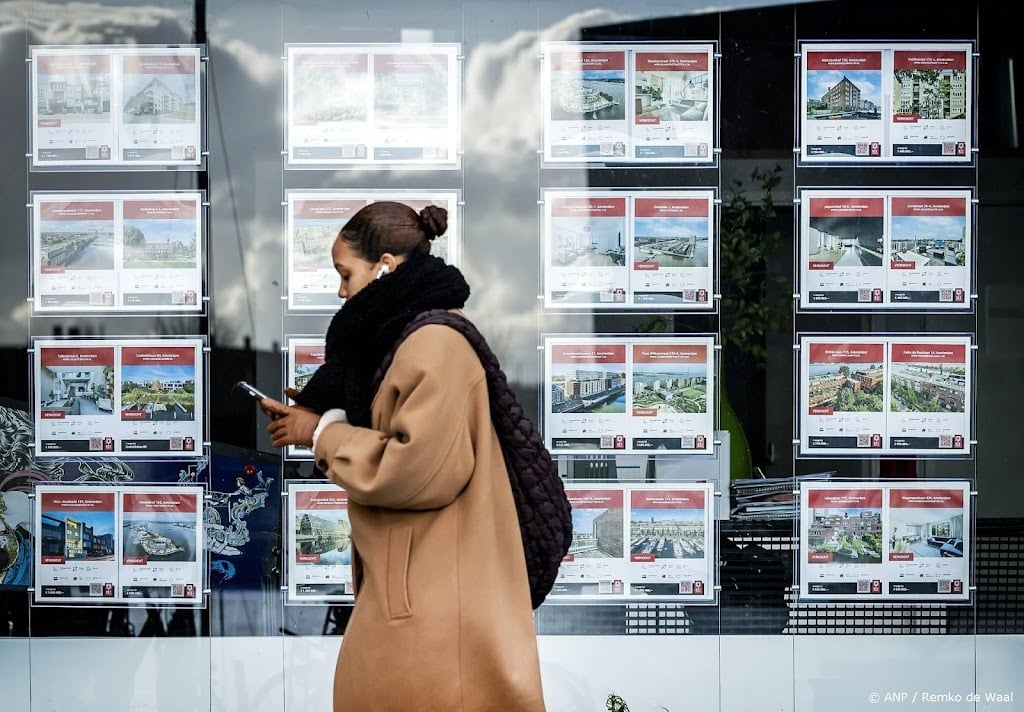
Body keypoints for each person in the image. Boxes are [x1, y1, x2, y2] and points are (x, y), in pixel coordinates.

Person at [259, 201, 546, 712]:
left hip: (436, 610)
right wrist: (329, 415)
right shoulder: (407, 340)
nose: (341, 291)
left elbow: (416, 469)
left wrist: (322, 432)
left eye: (345, 274)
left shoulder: (433, 344)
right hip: (427, 597)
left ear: (385, 266)